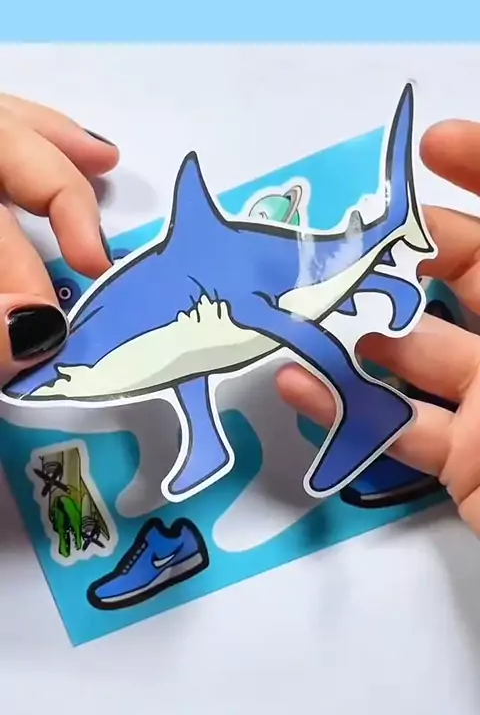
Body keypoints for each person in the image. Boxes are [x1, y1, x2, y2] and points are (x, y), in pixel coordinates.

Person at [1, 94, 479, 534]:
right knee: (183, 360)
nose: (60, 384)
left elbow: (284, 323)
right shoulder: (174, 333)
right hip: (205, 311)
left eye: (62, 377)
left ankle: (366, 402)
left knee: (253, 321)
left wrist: (351, 390)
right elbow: (177, 358)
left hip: (267, 289)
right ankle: (206, 448)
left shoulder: (207, 303)